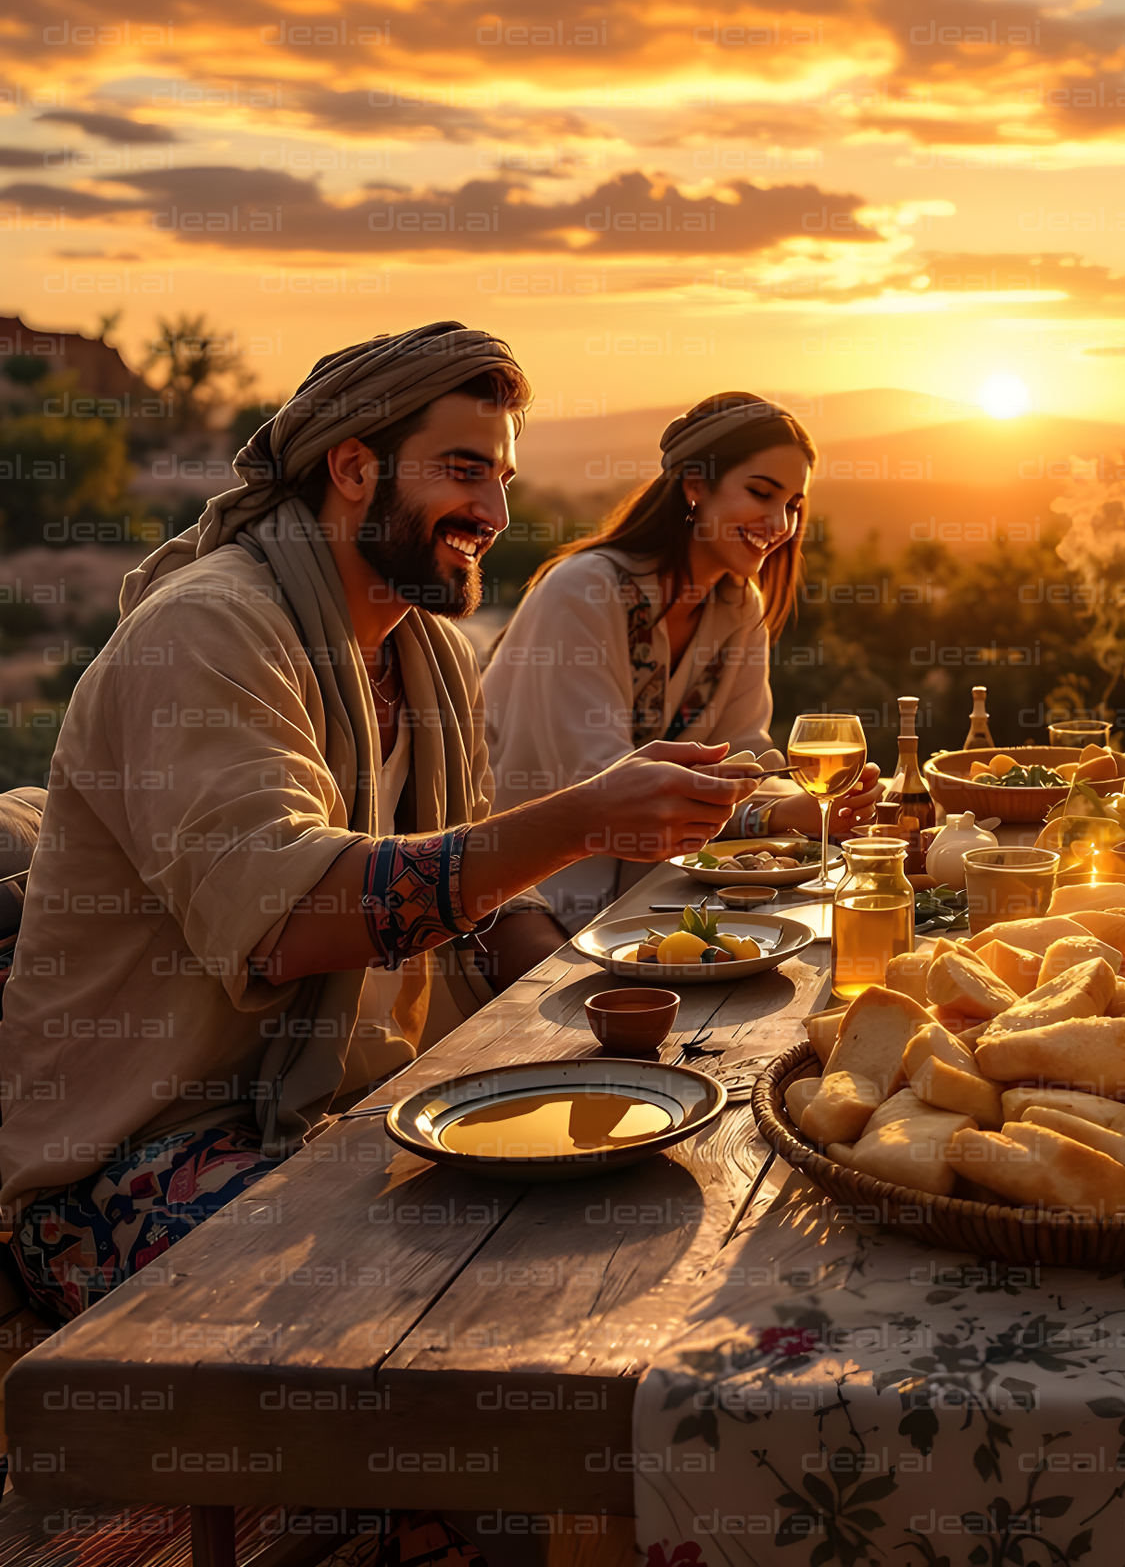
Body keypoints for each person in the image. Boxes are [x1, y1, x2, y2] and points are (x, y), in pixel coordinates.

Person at [0, 323, 756, 1321]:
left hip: (347, 1109)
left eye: (503, 476)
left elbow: (480, 902)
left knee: (656, 1188)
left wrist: (595, 1006)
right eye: (462, 469)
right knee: (456, 1300)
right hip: (135, 1160)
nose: (492, 510)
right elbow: (296, 913)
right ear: (353, 466)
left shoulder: (427, 651)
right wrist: (585, 817)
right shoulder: (208, 630)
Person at [484, 390, 879, 927]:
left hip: (665, 893)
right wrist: (774, 812)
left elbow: (744, 752)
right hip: (529, 898)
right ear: (696, 484)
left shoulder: (738, 605)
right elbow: (604, 783)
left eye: (792, 504)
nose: (779, 522)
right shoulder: (583, 591)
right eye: (761, 493)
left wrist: (813, 802)